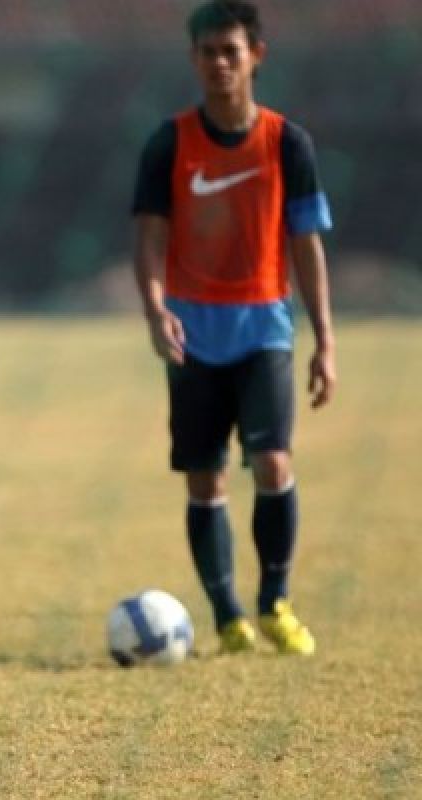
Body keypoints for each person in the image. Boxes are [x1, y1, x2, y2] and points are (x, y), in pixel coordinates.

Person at [132, 0, 336, 656]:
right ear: (193, 59)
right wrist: (155, 309)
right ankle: (228, 616)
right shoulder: (169, 143)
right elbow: (149, 238)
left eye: (231, 51)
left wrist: (325, 341)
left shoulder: (287, 143)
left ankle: (275, 602)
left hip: (264, 327)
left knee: (273, 462)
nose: (220, 63)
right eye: (208, 52)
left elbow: (306, 244)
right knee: (205, 477)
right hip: (191, 333)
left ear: (256, 56)